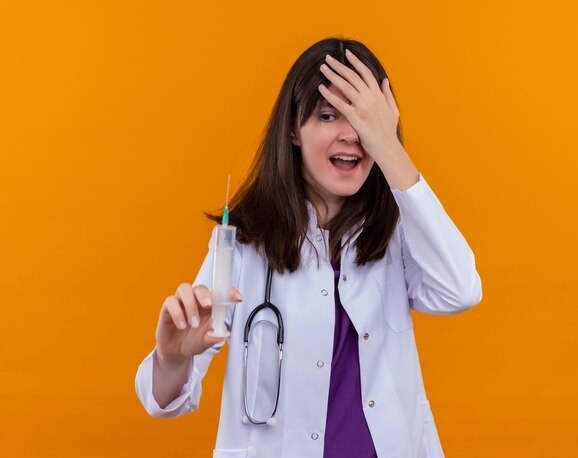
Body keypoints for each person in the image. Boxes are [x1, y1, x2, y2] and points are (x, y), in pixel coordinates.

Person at [135, 36, 482, 458]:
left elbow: (460, 290)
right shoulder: (243, 242)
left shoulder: (399, 233)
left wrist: (389, 147)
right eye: (329, 115)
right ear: (294, 131)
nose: (352, 135)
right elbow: (167, 401)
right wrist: (172, 359)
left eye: (365, 120)